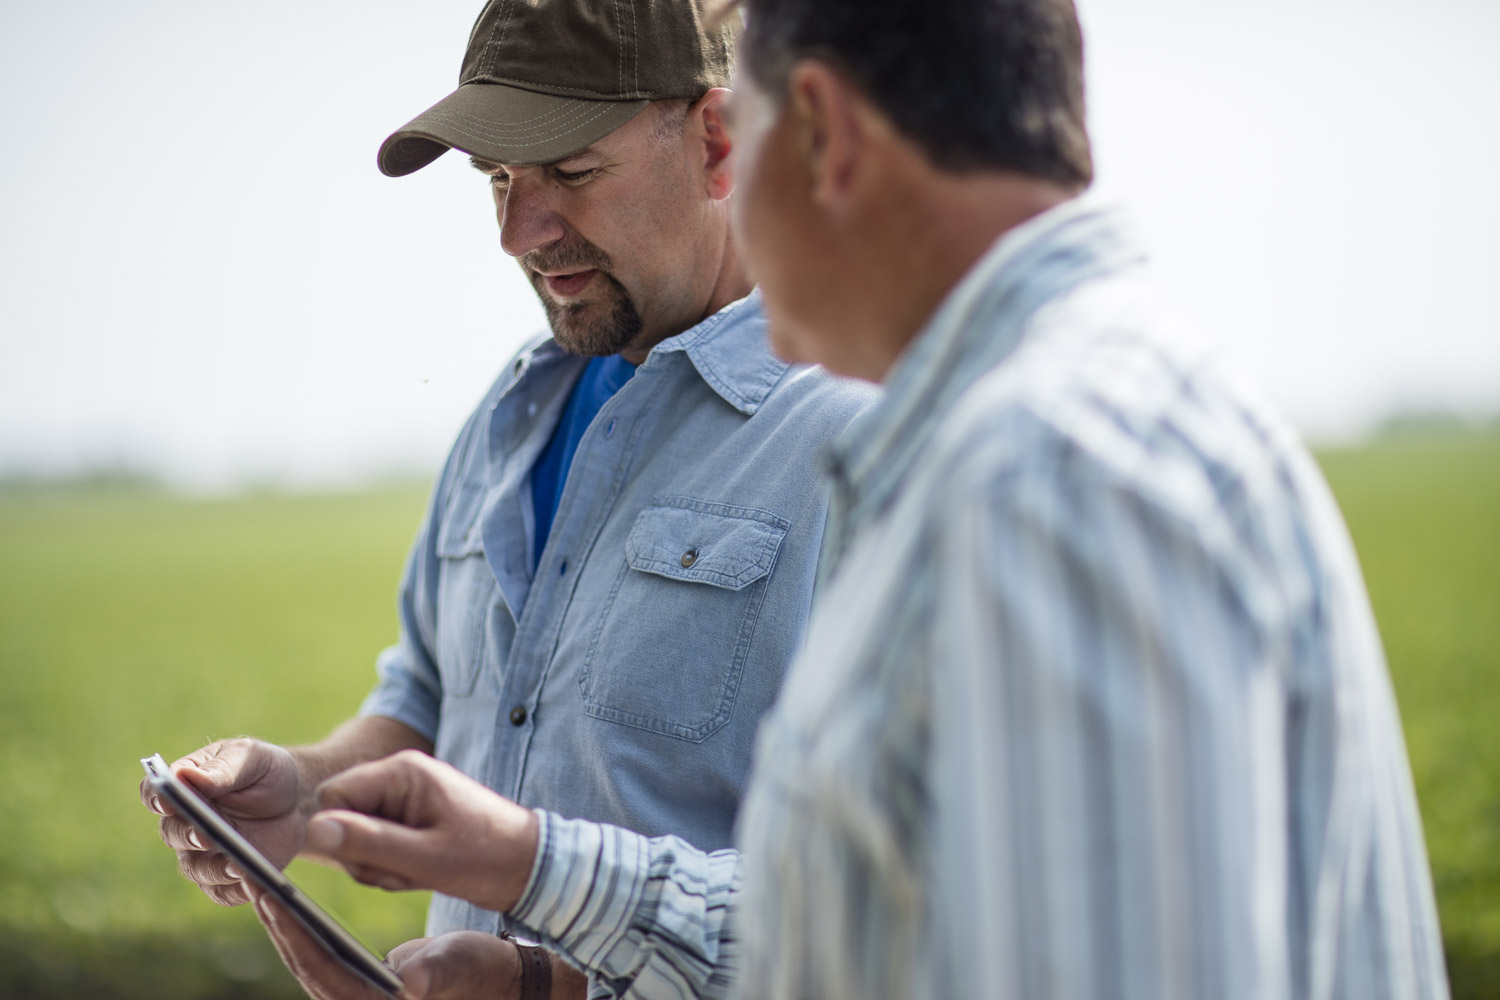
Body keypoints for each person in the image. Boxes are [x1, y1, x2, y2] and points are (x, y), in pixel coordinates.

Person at [240, 0, 1454, 999]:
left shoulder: (1049, 469)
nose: (523, 228)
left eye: (739, 142)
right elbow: (900, 934)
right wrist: (546, 981)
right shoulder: (1064, 431)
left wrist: (538, 876)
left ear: (806, 131)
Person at [140, 0, 872, 996]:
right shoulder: (515, 407)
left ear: (718, 141)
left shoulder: (861, 438)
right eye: (498, 179)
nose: (519, 231)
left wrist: (550, 987)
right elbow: (432, 697)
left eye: (570, 170)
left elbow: (890, 903)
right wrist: (303, 786)